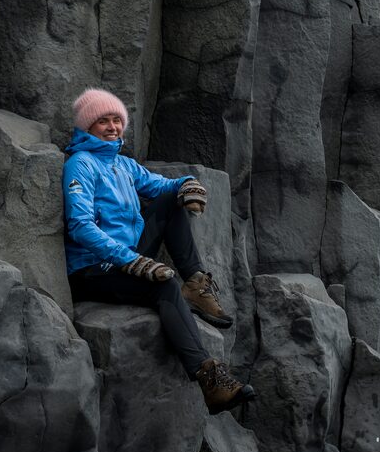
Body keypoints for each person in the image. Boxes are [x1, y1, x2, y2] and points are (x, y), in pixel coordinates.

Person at [62, 87, 256, 415]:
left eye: (116, 120)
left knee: (172, 200)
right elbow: (80, 227)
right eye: (102, 122)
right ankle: (210, 381)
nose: (112, 127)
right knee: (164, 286)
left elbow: (161, 186)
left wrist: (188, 184)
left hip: (126, 257)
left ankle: (195, 284)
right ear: (87, 128)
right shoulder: (81, 164)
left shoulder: (123, 165)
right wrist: (132, 261)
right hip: (93, 269)